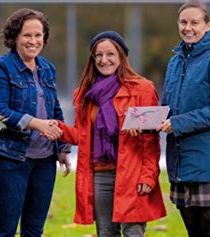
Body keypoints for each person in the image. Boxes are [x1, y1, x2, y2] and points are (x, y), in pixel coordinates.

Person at [55, 31, 166, 237]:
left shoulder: (142, 89)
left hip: (132, 174)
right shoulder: (85, 94)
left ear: (121, 56)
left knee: (133, 231)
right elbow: (82, 136)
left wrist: (148, 176)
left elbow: (151, 140)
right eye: (98, 55)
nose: (104, 60)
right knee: (106, 233)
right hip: (100, 174)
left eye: (110, 54)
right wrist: (56, 128)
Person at [0, 8, 71, 237]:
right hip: (8, 159)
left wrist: (61, 147)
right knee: (5, 230)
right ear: (15, 37)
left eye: (38, 35)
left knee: (34, 230)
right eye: (27, 35)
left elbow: (55, 109)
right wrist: (36, 124)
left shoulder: (48, 68)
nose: (33, 41)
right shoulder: (0, 68)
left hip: (44, 162)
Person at [157, 1, 210, 237]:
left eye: (195, 22)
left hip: (209, 162)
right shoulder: (175, 62)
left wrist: (178, 123)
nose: (188, 28)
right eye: (183, 22)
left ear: (208, 26)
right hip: (181, 162)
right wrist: (146, 120)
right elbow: (168, 107)